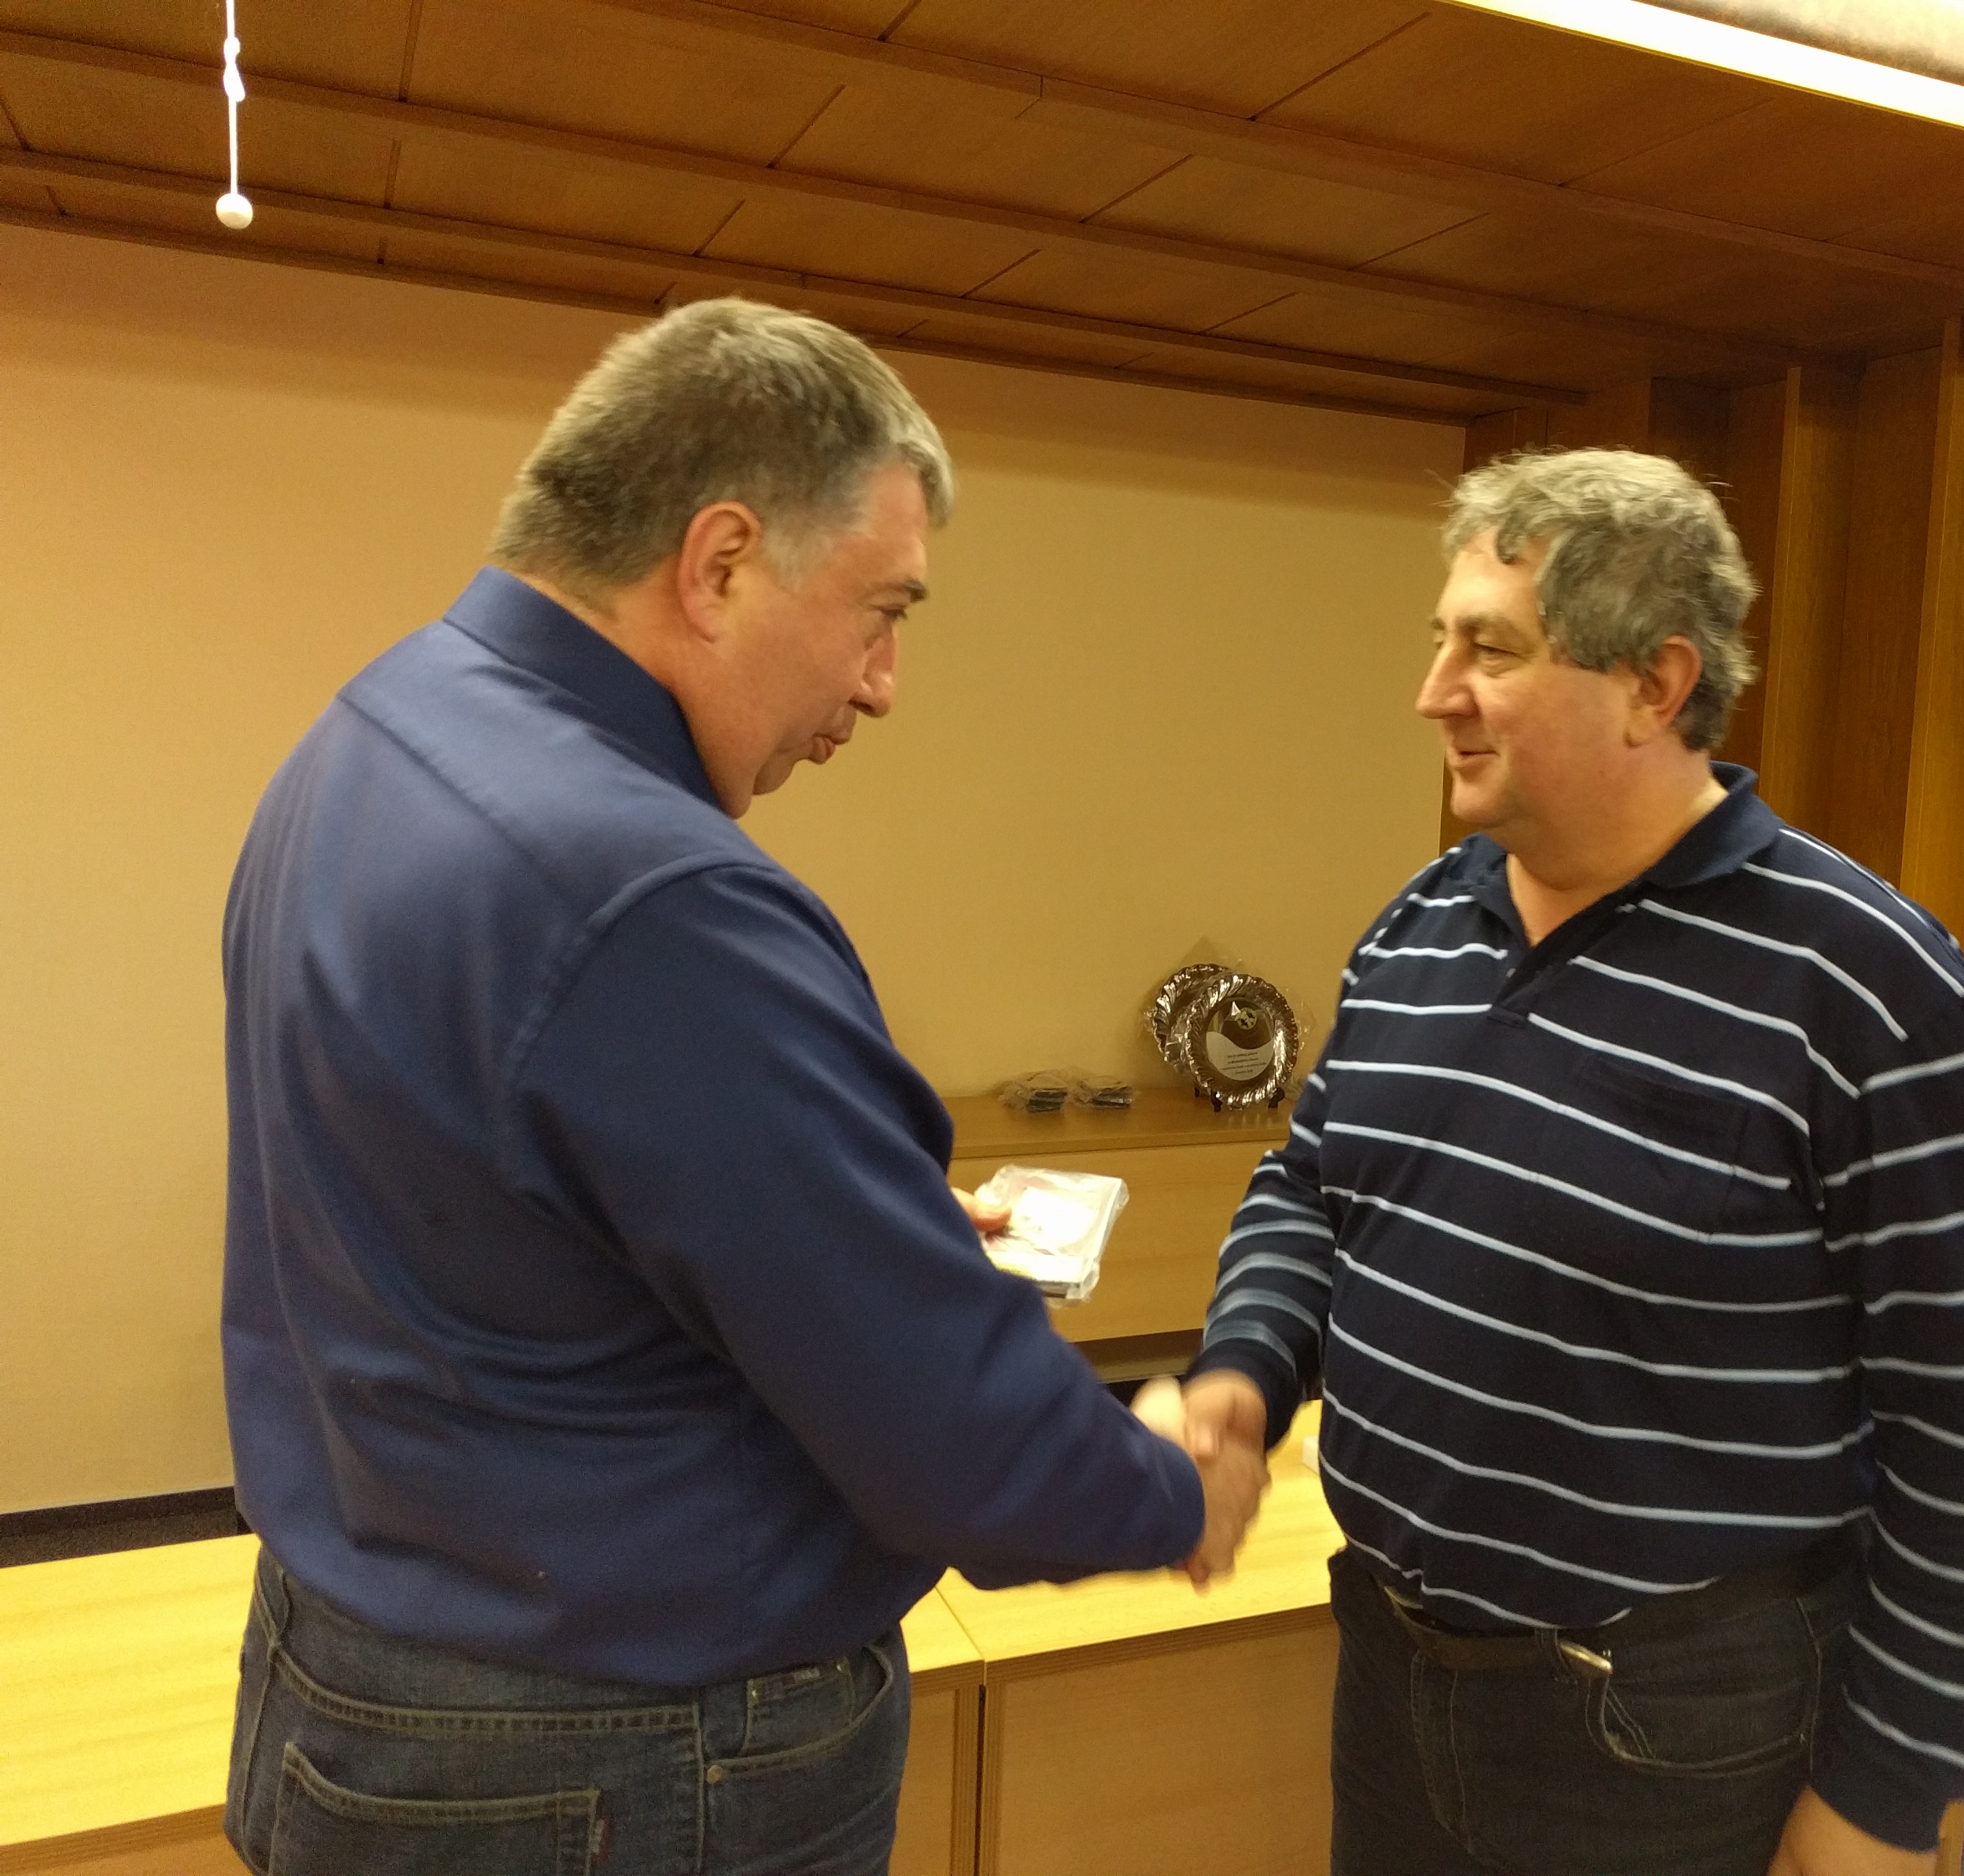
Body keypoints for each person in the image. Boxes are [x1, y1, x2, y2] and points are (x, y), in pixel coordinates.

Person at [220, 297, 1266, 1876]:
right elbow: (957, 1444)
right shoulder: (653, 894)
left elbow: (500, 1200)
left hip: (356, 1663)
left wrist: (858, 1224)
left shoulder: (373, 730)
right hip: (611, 1755)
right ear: (719, 562)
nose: (885, 682)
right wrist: (1168, 1488)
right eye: (881, 611)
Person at [1143, 449, 1964, 1876]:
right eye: (1442, 640)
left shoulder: (1865, 982)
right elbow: (1312, 1189)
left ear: (1656, 684)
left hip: (1672, 1730)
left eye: (1491, 650)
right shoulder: (1420, 925)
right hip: (1393, 1670)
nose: (1434, 691)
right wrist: (1242, 1373)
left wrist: (1884, 1798)